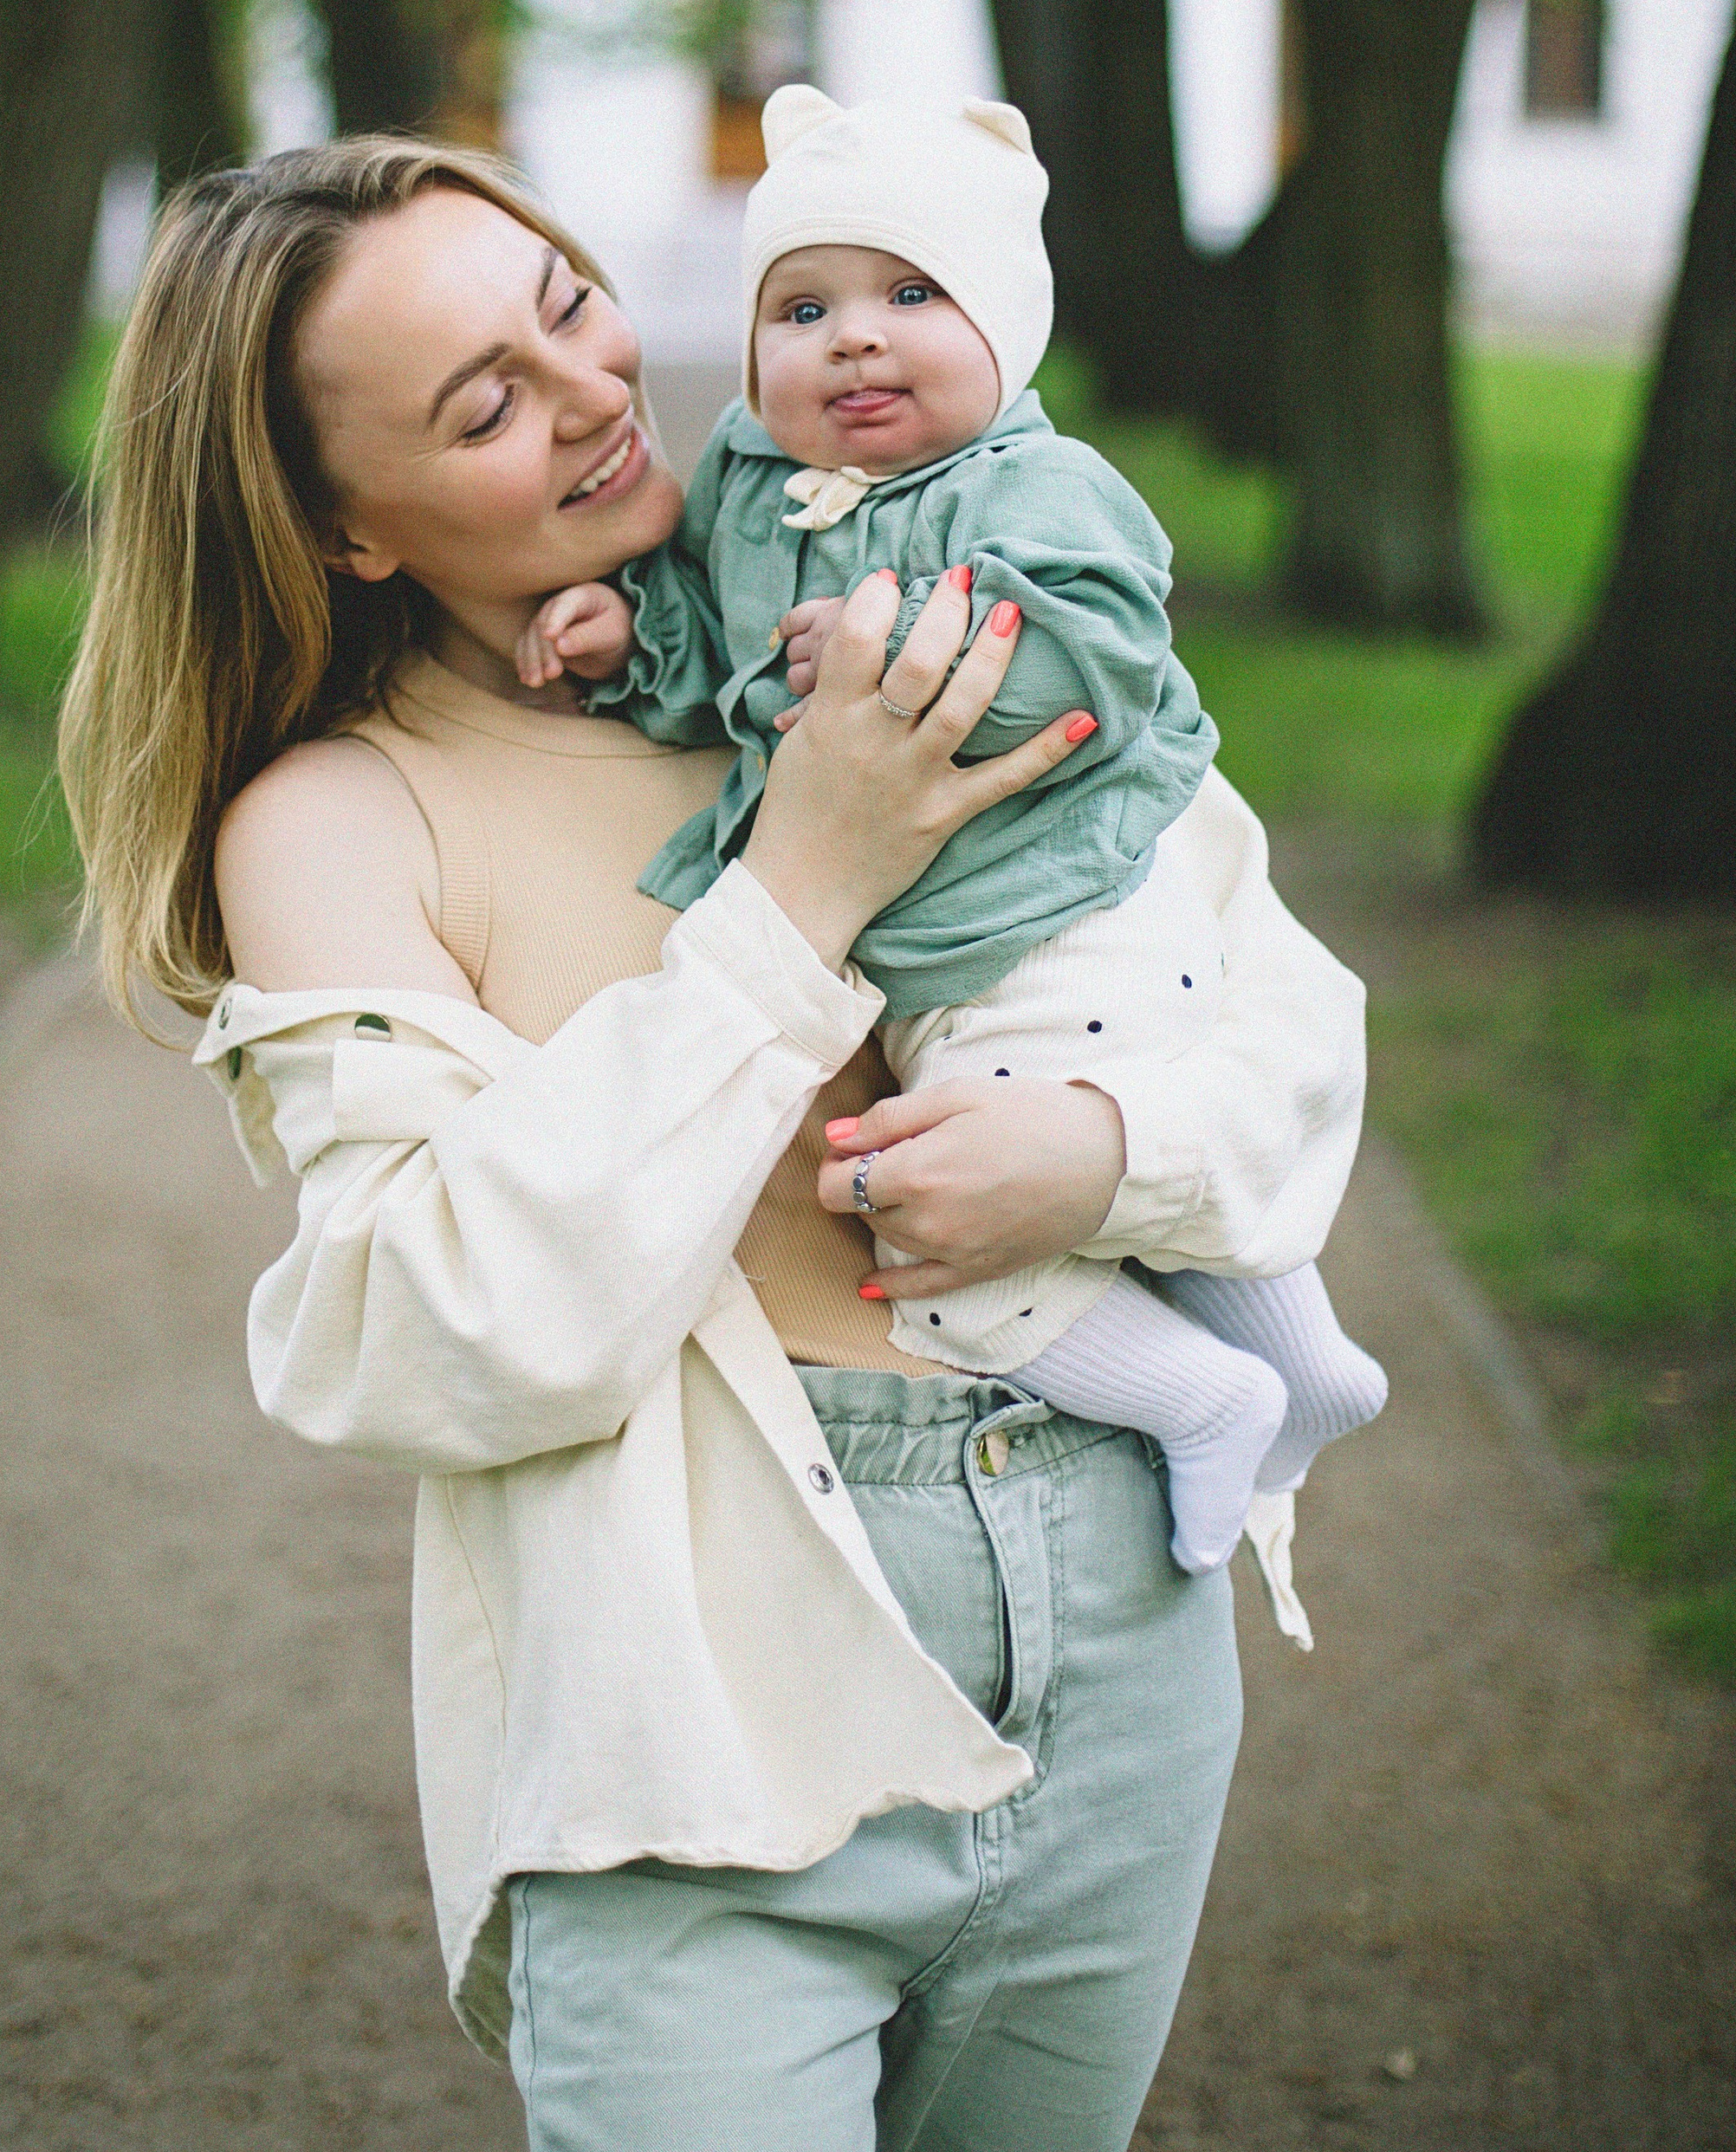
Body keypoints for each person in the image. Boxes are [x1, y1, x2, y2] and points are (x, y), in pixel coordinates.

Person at [60, 134, 1368, 2152]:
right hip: (693, 1743)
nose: (589, 392)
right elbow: (423, 1327)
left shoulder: (878, 614)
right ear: (335, 519)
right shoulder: (340, 819)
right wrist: (804, 878)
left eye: (568, 303)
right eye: (477, 406)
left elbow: (1287, 1032)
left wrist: (1108, 1155)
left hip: (1120, 1634)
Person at [519, 87, 1384, 1624]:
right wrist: (628, 638)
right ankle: (1308, 1363)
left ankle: (1203, 1399)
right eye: (803, 307)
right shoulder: (744, 484)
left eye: (912, 294)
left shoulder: (1038, 489)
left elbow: (1090, 661)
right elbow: (723, 654)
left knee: (941, 1230)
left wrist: (888, 637)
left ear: (1012, 323)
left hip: (1052, 921)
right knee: (1124, 1157)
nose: (854, 338)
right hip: (963, 944)